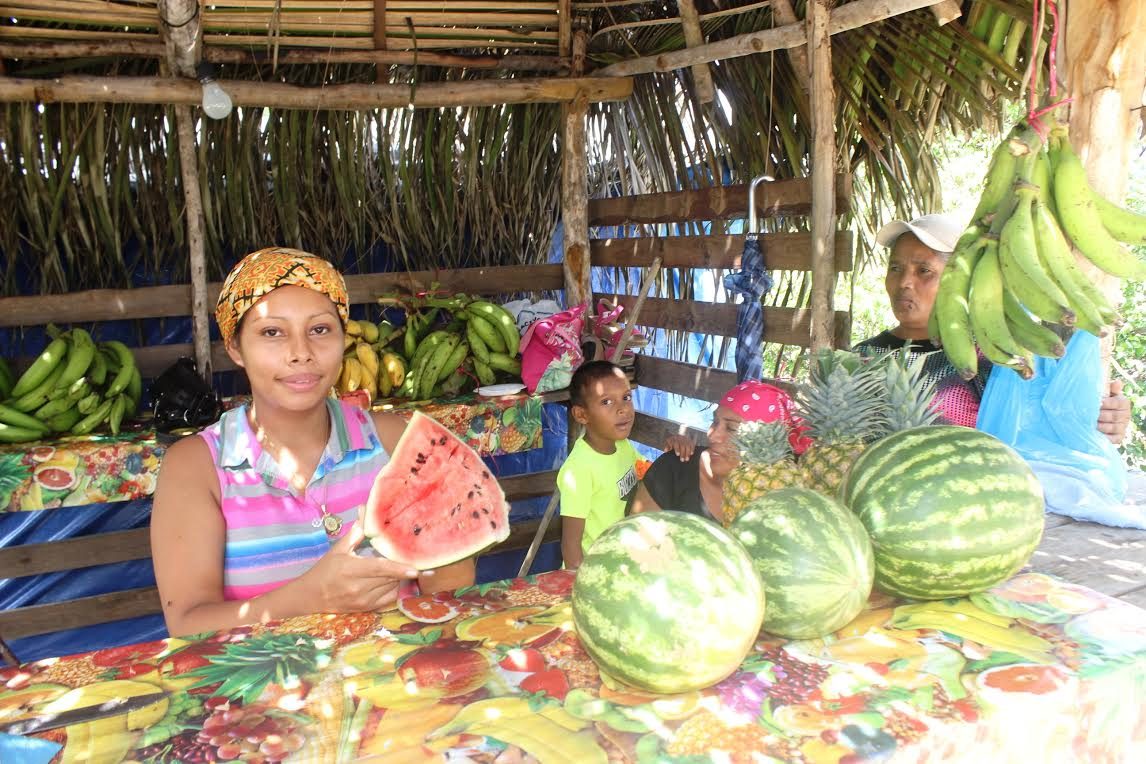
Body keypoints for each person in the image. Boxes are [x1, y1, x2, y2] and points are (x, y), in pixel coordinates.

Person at [151, 247, 475, 638]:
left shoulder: (396, 440)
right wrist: (312, 596)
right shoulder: (197, 467)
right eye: (272, 332)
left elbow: (449, 590)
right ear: (235, 348)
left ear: (343, 338)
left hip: (395, 679)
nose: (301, 353)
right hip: (265, 688)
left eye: (320, 330)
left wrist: (453, 551)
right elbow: (187, 625)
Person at [856, 214, 1131, 442]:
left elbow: (1048, 423)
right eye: (895, 268)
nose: (904, 282)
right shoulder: (861, 358)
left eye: (923, 270)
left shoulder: (996, 356)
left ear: (959, 278)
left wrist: (1107, 418)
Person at [628, 381, 801, 521]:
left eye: (732, 428)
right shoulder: (674, 467)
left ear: (765, 443)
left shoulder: (780, 498)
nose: (712, 435)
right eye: (715, 421)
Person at [558, 360, 640, 568]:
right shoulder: (579, 470)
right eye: (606, 402)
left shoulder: (623, 446)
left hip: (623, 564)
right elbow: (571, 546)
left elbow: (652, 476)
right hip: (595, 572)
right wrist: (586, 591)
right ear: (581, 415)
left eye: (626, 397)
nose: (623, 409)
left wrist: (674, 449)